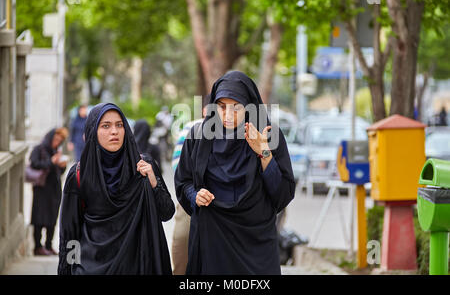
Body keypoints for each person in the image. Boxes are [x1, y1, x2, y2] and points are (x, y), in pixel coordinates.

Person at [175, 71, 296, 274]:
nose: (228, 115)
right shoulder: (198, 136)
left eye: (236, 107)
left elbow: (283, 194)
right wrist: (195, 196)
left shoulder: (268, 135)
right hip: (211, 239)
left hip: (255, 243)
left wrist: (264, 153)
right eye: (222, 107)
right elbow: (183, 182)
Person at [57, 103, 175, 275]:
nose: (114, 131)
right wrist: (66, 271)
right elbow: (70, 234)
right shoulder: (79, 176)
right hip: (92, 267)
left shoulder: (143, 167)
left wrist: (153, 182)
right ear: (92, 131)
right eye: (106, 126)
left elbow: (167, 213)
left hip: (138, 265)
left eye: (119, 125)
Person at [171, 93, 210, 275]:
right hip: (191, 197)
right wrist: (194, 190)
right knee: (182, 243)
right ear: (204, 110)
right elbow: (177, 165)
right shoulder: (191, 128)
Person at [30, 127, 69, 256]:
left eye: (60, 140)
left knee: (52, 218)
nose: (57, 142)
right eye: (56, 139)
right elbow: (34, 164)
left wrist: (62, 166)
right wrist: (51, 162)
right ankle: (37, 247)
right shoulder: (39, 149)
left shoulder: (56, 151)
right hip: (41, 188)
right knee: (39, 218)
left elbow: (58, 172)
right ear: (50, 137)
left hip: (54, 189)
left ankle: (48, 245)